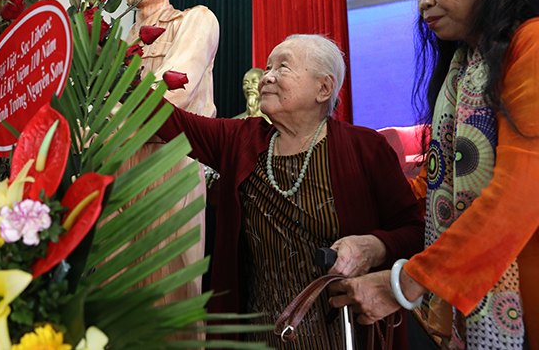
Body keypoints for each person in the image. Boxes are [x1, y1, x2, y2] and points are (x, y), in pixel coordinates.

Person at [329, 0, 539, 349]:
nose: (424, 1)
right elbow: (441, 178)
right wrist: (376, 238)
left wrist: (401, 284)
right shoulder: (463, 66)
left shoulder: (531, 44)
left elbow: (521, 193)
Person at [155, 34, 423, 349]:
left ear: (323, 88)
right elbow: (168, 120)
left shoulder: (366, 149)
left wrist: (374, 246)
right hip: (259, 339)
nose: (266, 76)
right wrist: (113, 69)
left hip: (343, 337)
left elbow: (415, 231)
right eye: (268, 66)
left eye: (283, 67)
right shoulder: (240, 140)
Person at [113, 0, 219, 305]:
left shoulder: (195, 20)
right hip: (116, 169)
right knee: (115, 295)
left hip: (169, 167)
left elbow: (171, 92)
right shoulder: (117, 45)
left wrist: (98, 126)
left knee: (168, 294)